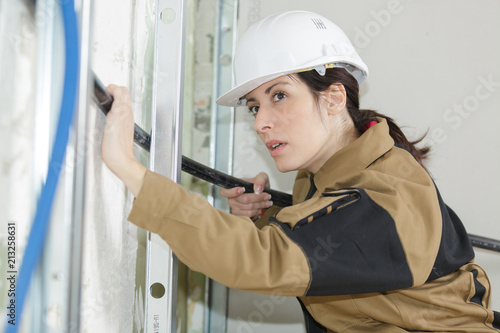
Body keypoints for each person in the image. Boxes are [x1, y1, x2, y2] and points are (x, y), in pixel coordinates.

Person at [101, 10, 500, 333]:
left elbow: (266, 261)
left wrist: (128, 168)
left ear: (333, 98)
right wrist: (266, 218)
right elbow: (336, 249)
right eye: (255, 106)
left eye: (279, 96)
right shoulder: (323, 175)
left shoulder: (388, 196)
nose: (260, 123)